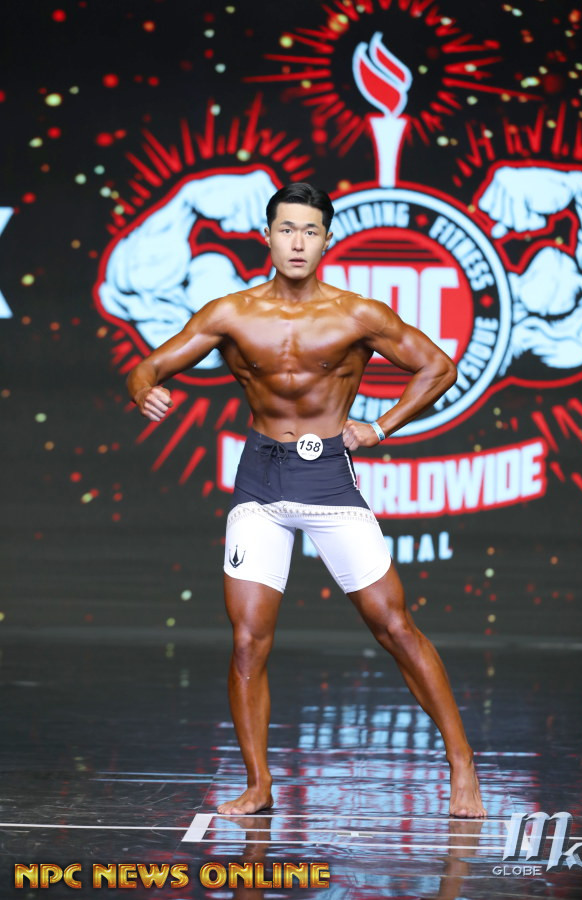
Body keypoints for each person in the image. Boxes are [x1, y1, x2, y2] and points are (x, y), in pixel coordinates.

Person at [127, 182, 487, 819]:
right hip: (260, 480)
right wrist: (144, 389)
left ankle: (461, 761)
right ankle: (259, 784)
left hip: (327, 480)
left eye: (310, 231)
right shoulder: (230, 313)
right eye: (287, 229)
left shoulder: (357, 315)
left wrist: (381, 427)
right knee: (247, 641)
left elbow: (438, 366)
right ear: (266, 236)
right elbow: (148, 366)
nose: (297, 242)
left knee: (394, 627)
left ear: (326, 240)